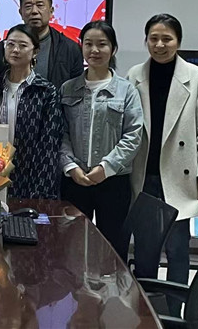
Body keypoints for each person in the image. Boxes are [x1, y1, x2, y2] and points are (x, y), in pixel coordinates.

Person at [127, 13, 198, 316]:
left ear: (178, 41)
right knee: (145, 250)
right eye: (154, 38)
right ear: (146, 41)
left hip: (179, 175)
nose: (160, 45)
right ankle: (146, 312)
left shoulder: (195, 76)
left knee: (178, 249)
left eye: (167, 38)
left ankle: (174, 313)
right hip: (144, 174)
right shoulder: (134, 75)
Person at [59, 21, 143, 259]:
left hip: (113, 181)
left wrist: (106, 168)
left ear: (113, 49)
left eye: (102, 44)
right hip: (75, 179)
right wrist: (70, 166)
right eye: (88, 44)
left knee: (113, 248)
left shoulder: (126, 90)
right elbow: (61, 133)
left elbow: (133, 135)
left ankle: (113, 285)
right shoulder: (68, 89)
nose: (94, 50)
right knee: (71, 246)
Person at [0, 24, 63, 200]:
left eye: (23, 45)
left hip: (31, 174)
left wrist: (40, 189)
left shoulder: (46, 91)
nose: (15, 50)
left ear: (35, 51)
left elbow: (49, 144)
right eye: (10, 44)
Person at [0, 0, 83, 91]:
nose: (34, 11)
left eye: (40, 5)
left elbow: (77, 90)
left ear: (51, 11)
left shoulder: (70, 48)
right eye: (28, 6)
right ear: (21, 12)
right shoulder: (3, 48)